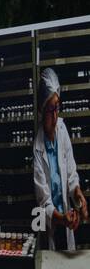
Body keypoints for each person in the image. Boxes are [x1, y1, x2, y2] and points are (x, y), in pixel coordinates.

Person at [33, 67, 88, 251]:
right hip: (50, 222)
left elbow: (71, 174)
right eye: (50, 109)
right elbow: (43, 202)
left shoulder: (63, 131)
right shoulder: (38, 148)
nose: (55, 115)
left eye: (57, 107)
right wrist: (61, 218)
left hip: (68, 216)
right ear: (42, 109)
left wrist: (78, 193)